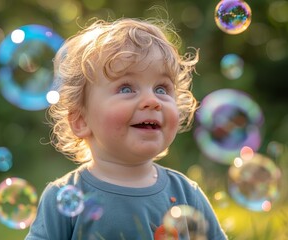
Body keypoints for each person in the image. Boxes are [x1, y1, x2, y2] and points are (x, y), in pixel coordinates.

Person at [25, 17, 228, 240]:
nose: (152, 100)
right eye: (126, 88)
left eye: (162, 89)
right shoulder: (63, 198)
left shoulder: (187, 194)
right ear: (81, 121)